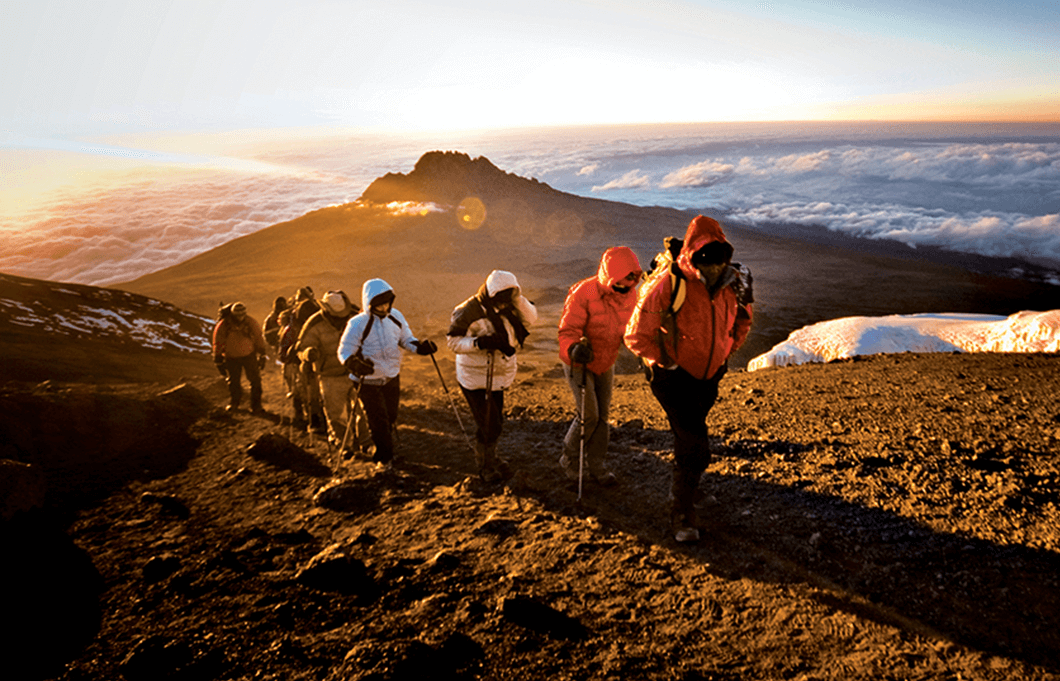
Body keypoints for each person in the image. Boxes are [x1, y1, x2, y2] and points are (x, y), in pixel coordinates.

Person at [625, 215, 753, 543]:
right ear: (694, 253)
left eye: (719, 256)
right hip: (672, 378)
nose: (713, 265)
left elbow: (741, 322)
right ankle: (680, 513)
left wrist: (724, 354)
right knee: (695, 444)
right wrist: (667, 364)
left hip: (709, 376)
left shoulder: (732, 282)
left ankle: (689, 490)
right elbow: (636, 335)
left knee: (691, 439)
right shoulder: (670, 283)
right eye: (706, 256)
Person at [558, 247, 643, 487]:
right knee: (589, 415)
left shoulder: (632, 297)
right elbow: (567, 330)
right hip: (578, 361)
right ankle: (570, 459)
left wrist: (645, 355)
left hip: (606, 361)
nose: (625, 286)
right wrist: (573, 348)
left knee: (602, 418)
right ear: (610, 275)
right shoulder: (584, 292)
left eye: (630, 279)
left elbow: (632, 331)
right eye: (621, 280)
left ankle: (597, 465)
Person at [447, 270, 538, 482]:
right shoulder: (467, 311)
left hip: (499, 375)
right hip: (474, 376)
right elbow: (452, 342)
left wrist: (518, 298)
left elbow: (532, 318)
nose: (505, 304)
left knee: (494, 422)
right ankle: (486, 466)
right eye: (502, 298)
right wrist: (480, 343)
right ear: (492, 294)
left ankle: (491, 458)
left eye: (509, 297)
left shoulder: (511, 305)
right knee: (489, 424)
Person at [337, 279, 437, 467]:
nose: (384, 307)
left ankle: (384, 451)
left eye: (387, 302)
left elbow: (406, 339)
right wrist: (355, 365)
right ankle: (384, 459)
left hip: (391, 376)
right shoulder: (358, 323)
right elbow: (344, 350)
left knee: (390, 416)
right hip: (366, 381)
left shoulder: (395, 316)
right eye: (379, 303)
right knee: (379, 420)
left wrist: (421, 348)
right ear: (370, 303)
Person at [296, 290, 373, 457]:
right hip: (330, 374)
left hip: (356, 371)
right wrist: (308, 353)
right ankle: (345, 445)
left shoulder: (356, 317)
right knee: (336, 413)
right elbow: (301, 348)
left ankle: (367, 442)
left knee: (365, 409)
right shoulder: (314, 323)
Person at [212, 301, 269, 414]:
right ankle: (235, 403)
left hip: (249, 355)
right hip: (232, 357)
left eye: (242, 314)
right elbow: (218, 342)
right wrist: (218, 358)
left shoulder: (250, 322)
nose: (240, 317)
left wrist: (262, 353)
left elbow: (258, 337)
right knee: (234, 382)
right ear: (233, 314)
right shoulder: (224, 324)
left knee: (255, 381)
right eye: (238, 315)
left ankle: (256, 405)